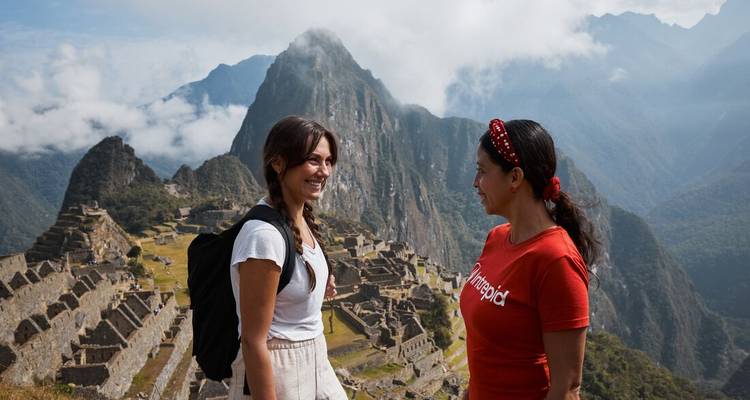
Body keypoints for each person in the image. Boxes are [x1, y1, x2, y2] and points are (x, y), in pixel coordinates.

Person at [460, 119, 600, 399]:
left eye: (482, 171)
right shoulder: (497, 238)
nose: (475, 183)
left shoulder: (556, 261)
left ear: (515, 177)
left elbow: (567, 388)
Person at [228, 116, 348, 400]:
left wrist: (317, 286)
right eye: (313, 160)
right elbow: (254, 340)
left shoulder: (300, 218)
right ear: (278, 163)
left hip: (315, 356)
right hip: (280, 365)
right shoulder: (263, 237)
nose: (324, 171)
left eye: (329, 161)